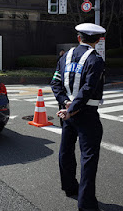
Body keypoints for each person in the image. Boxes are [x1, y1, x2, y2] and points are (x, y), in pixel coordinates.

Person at [51, 23, 106, 211]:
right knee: (88, 158)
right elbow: (88, 89)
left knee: (66, 151)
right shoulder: (96, 60)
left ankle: (69, 187)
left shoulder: (65, 56)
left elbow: (55, 83)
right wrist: (73, 108)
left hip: (67, 113)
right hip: (86, 114)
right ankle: (87, 204)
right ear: (98, 40)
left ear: (78, 38)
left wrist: (66, 103)